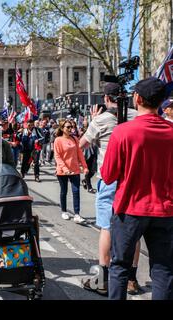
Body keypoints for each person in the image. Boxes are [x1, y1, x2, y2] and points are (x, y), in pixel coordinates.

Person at [101, 77, 173, 300]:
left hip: (130, 209)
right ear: (162, 102)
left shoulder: (123, 132)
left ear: (138, 98)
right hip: (166, 209)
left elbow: (108, 175)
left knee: (120, 266)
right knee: (163, 268)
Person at [79, 83, 142, 295]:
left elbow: (82, 145)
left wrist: (91, 123)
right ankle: (132, 279)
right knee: (133, 228)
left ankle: (103, 279)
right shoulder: (137, 116)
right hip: (135, 178)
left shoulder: (100, 119)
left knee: (107, 227)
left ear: (106, 99)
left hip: (109, 178)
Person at [54, 119, 88, 224]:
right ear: (62, 128)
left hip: (75, 169)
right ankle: (64, 211)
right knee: (64, 191)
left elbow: (80, 154)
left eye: (71, 127)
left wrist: (85, 167)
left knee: (76, 191)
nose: (70, 129)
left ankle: (77, 214)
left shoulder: (74, 139)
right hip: (62, 170)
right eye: (68, 127)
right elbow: (57, 156)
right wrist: (65, 169)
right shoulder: (58, 140)